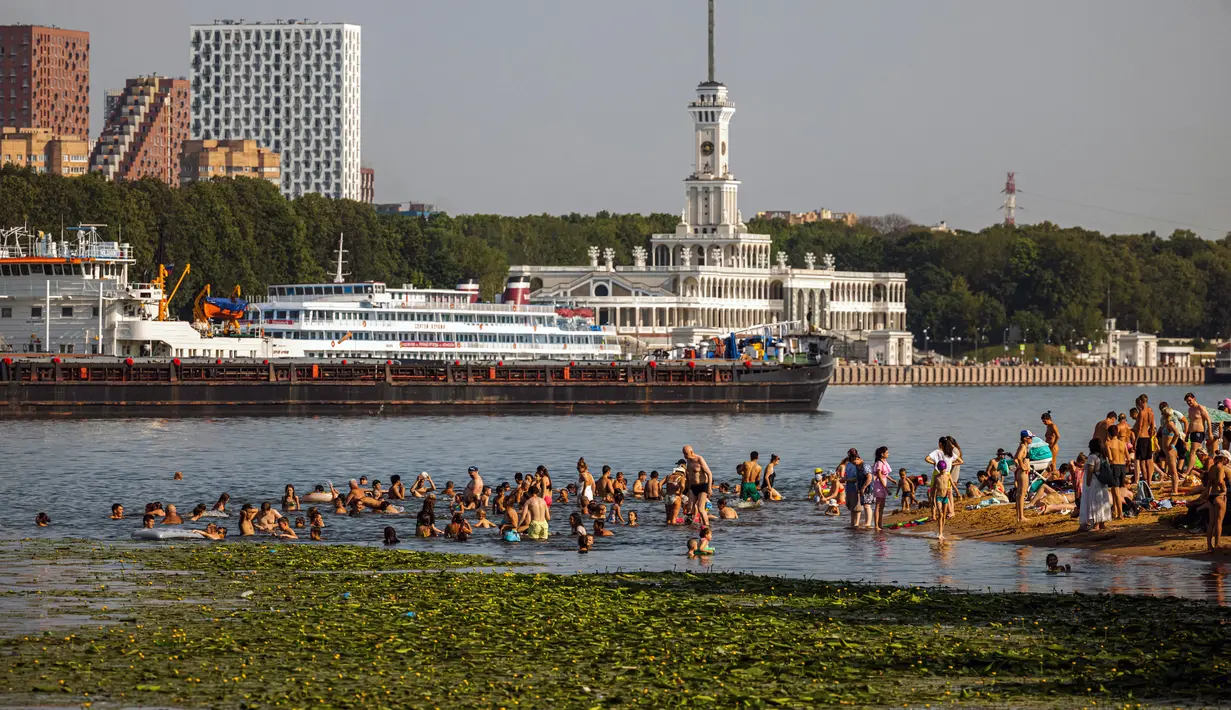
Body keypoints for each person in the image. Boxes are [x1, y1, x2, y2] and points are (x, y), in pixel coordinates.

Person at [1199, 450, 1231, 551]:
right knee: (1218, 522)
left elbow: (1209, 484)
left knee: (1211, 522)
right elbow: (1220, 480)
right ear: (1224, 459)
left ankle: (1209, 546)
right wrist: (1224, 490)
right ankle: (1217, 545)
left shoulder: (1212, 467)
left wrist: (1207, 495)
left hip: (1212, 495)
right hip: (1219, 496)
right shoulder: (1220, 467)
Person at [1080, 438, 1113, 532]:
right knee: (1102, 502)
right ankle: (1102, 524)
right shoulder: (1103, 456)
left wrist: (1087, 483)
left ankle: (1096, 525)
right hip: (1101, 482)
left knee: (1094, 503)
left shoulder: (1092, 457)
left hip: (1094, 483)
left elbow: (1090, 470)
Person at [683, 445, 714, 527]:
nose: (685, 456)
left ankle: (706, 527)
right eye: (683, 454)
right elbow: (689, 477)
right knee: (689, 508)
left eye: (686, 454)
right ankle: (688, 526)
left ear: (691, 452)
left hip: (702, 486)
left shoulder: (699, 459)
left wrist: (710, 488)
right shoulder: (688, 461)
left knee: (700, 508)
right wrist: (688, 490)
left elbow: (709, 473)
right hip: (693, 487)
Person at [1186, 393, 1212, 472]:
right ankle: (1206, 468)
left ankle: (1188, 471)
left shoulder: (1200, 407)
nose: (1189, 403)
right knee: (1199, 452)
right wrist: (1187, 434)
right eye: (1187, 402)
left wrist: (1210, 432)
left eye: (1190, 401)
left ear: (1194, 399)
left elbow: (1208, 419)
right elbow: (1190, 423)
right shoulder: (1190, 410)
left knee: (1192, 452)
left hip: (1199, 432)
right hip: (1192, 433)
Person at [840, 449, 864, 528]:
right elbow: (847, 475)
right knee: (851, 507)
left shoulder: (857, 465)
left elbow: (857, 478)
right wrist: (844, 478)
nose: (853, 458)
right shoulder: (848, 464)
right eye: (851, 456)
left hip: (855, 487)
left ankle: (856, 523)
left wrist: (846, 479)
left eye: (854, 456)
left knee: (857, 507)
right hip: (849, 488)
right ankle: (852, 523)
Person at [930, 460, 954, 540]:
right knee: (940, 514)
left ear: (945, 468)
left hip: (945, 497)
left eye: (943, 469)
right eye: (940, 469)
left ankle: (941, 531)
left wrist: (958, 493)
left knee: (943, 515)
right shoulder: (936, 477)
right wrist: (932, 499)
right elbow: (933, 489)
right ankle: (940, 534)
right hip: (938, 497)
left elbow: (953, 485)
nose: (942, 471)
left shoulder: (948, 476)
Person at [872, 446, 891, 530]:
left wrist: (892, 480)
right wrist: (886, 487)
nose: (888, 454)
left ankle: (880, 523)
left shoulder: (884, 462)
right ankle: (876, 525)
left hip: (883, 482)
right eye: (887, 453)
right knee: (878, 505)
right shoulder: (879, 463)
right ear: (882, 454)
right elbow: (879, 475)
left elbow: (885, 474)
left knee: (882, 505)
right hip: (879, 485)